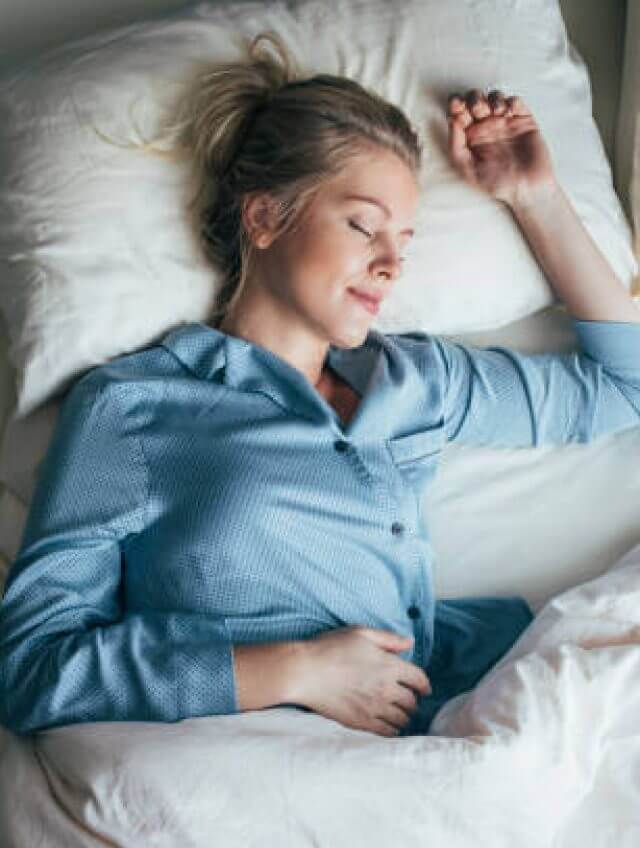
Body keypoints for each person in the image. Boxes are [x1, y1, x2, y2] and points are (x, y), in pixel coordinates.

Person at [1, 31, 640, 740]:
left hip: (453, 715)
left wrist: (536, 196)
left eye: (404, 240)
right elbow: (32, 667)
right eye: (364, 225)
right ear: (266, 215)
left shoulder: (416, 381)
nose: (392, 263)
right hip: (262, 756)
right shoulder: (133, 407)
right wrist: (296, 668)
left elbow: (627, 384)